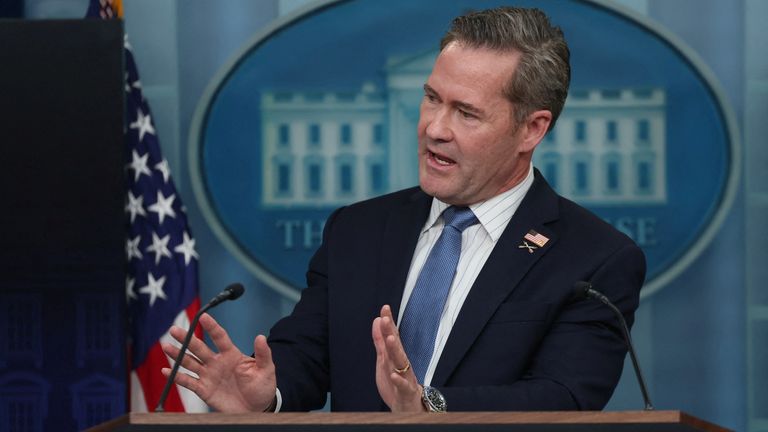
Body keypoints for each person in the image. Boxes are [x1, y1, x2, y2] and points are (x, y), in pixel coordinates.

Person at [162, 6, 646, 413]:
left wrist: (428, 405)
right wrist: (268, 393)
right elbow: (307, 355)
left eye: (466, 112)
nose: (435, 128)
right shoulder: (358, 230)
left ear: (532, 130)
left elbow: (562, 396)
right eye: (432, 99)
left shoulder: (594, 259)